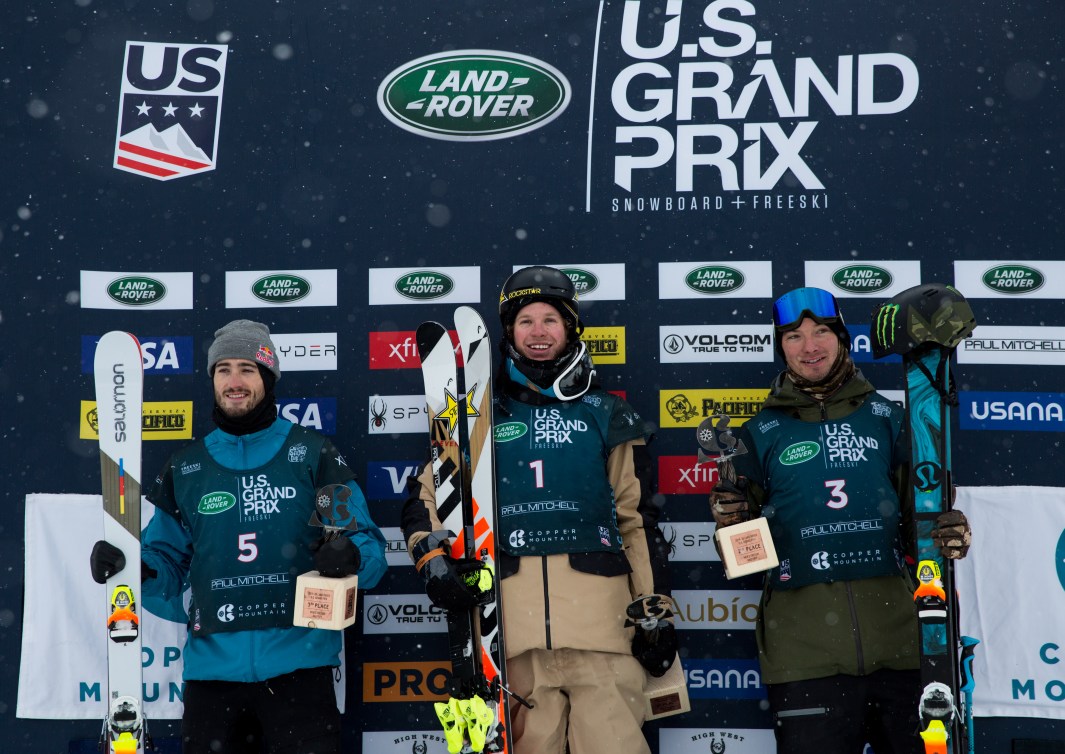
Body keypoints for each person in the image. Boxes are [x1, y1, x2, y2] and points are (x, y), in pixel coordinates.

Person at [401, 266, 676, 754]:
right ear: (509, 331)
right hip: (512, 636)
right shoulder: (477, 416)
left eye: (551, 319)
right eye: (525, 320)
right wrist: (432, 561)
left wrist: (655, 616)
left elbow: (637, 522)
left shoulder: (608, 414)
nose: (538, 332)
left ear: (570, 328)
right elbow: (427, 500)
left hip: (605, 631)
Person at [90, 319, 387, 754]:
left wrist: (350, 558)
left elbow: (369, 548)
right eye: (223, 369)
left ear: (267, 378)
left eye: (247, 369)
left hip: (300, 672)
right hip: (213, 682)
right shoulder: (187, 468)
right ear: (212, 379)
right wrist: (131, 571)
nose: (234, 381)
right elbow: (167, 566)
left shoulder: (310, 456)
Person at [710, 287, 972, 754]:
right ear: (781, 347)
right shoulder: (756, 436)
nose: (810, 347)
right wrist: (731, 522)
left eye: (821, 333)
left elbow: (921, 525)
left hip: (903, 650)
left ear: (842, 339)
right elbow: (746, 564)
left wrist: (947, 531)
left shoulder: (889, 419)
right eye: (794, 337)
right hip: (805, 658)